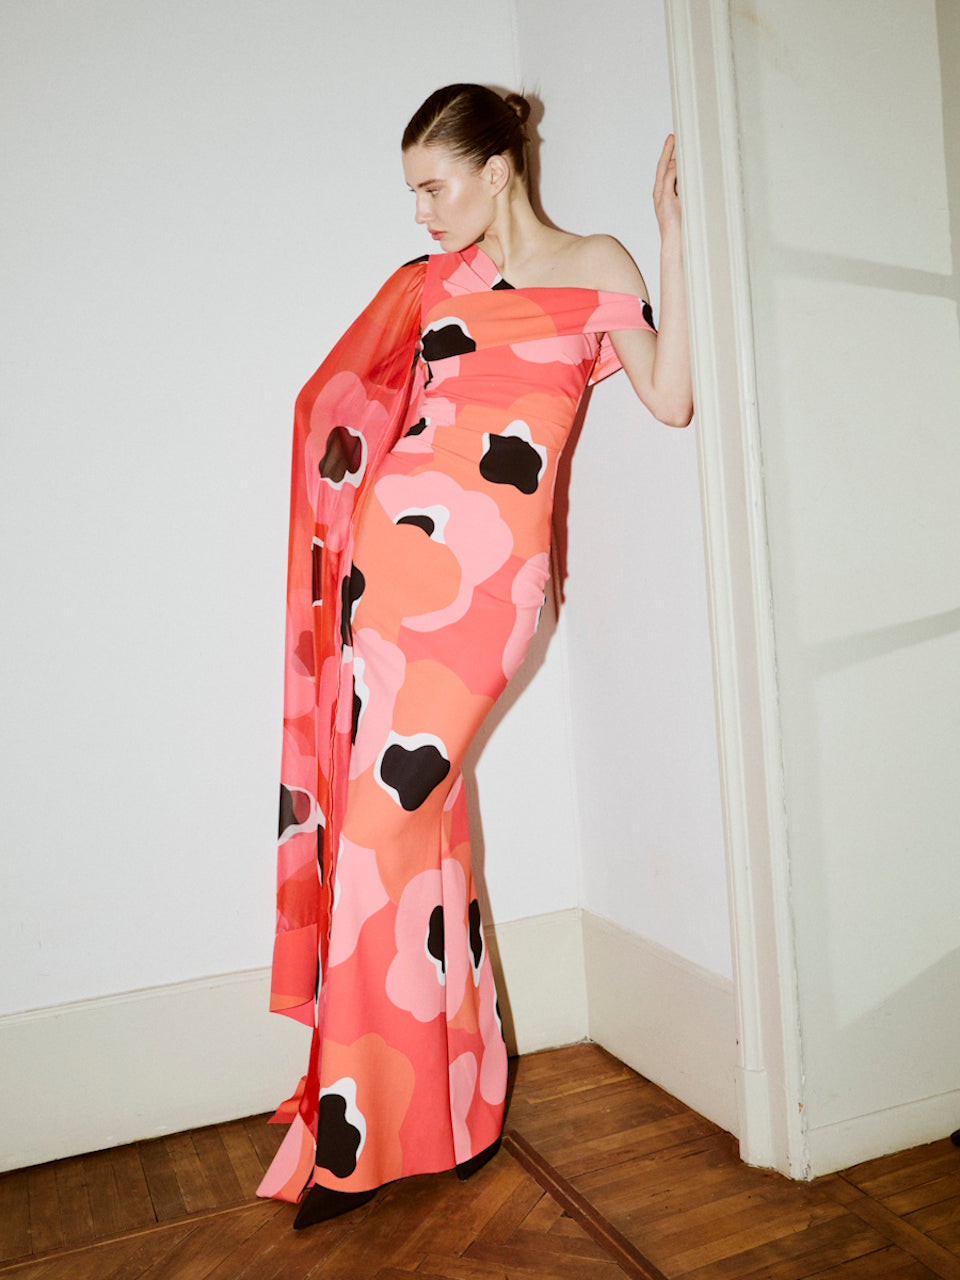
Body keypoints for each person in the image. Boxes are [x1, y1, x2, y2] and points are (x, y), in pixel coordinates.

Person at [257, 84, 693, 1229]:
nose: (421, 212)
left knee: (384, 833)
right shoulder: (431, 285)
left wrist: (673, 241)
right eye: (412, 192)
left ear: (499, 168)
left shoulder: (597, 264)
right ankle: (457, 1105)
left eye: (433, 186)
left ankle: (356, 1132)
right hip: (386, 579)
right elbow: (341, 406)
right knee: (419, 827)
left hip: (493, 590)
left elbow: (672, 394)